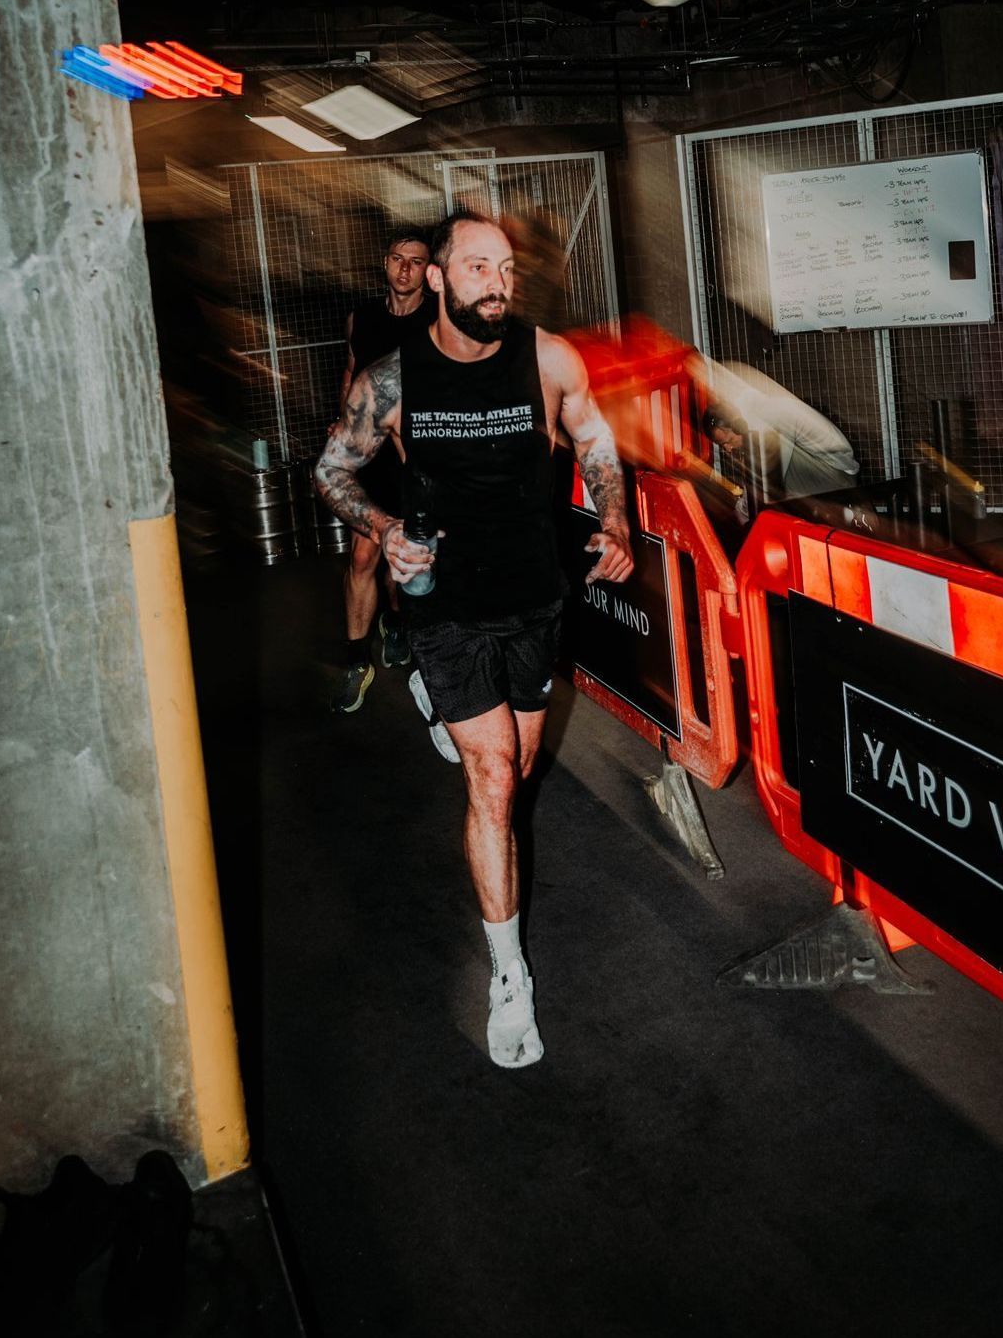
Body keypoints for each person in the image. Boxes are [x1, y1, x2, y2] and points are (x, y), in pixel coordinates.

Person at [316, 212, 633, 1068]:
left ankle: (444, 705)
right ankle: (509, 976)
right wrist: (383, 528)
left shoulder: (551, 359)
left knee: (520, 769)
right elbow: (331, 469)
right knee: (493, 781)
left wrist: (615, 520)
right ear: (441, 280)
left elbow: (596, 439)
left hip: (534, 598)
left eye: (506, 268)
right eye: (478, 267)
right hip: (444, 605)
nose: (498, 281)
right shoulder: (393, 379)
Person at [329, 226, 438, 712]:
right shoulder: (364, 318)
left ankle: (397, 624)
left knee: (407, 564)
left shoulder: (439, 322)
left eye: (416, 262)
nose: (405, 269)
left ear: (428, 270)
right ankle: (356, 659)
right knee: (362, 557)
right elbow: (352, 371)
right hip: (372, 456)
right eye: (398, 258)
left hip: (418, 461)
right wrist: (344, 422)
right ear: (386, 262)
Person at [700, 358, 859, 511]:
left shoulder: (769, 419)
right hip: (829, 472)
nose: (728, 449)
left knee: (771, 492)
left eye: (727, 441)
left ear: (737, 425)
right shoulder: (759, 415)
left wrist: (743, 510)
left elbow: (766, 481)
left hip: (837, 475)